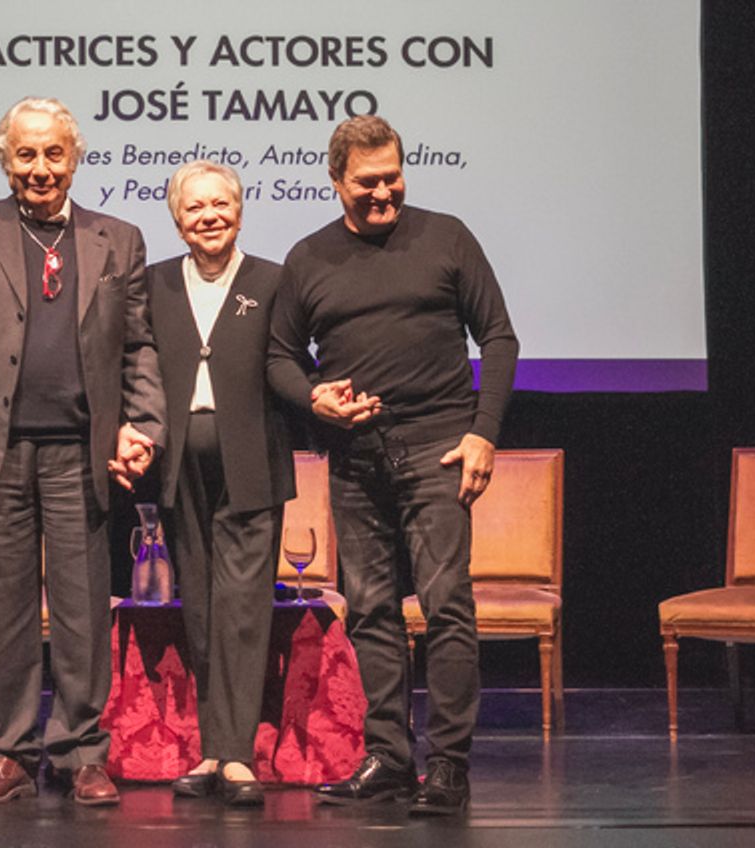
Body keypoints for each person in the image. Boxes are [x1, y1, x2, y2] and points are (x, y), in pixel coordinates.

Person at [267, 114, 518, 816]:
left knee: (445, 607)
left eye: (393, 178)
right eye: (366, 183)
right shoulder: (309, 258)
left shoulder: (447, 237)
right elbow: (279, 357)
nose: (383, 194)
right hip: (355, 457)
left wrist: (483, 435)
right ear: (336, 180)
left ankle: (449, 767)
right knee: (371, 610)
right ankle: (386, 757)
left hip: (439, 445)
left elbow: (497, 336)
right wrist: (315, 398)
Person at [0, 97, 165, 807]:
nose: (40, 168)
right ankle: (11, 753)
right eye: (25, 155)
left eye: (53, 153)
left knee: (86, 612)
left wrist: (140, 425)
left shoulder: (119, 238)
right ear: (6, 160)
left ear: (74, 158)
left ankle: (84, 752)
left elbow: (140, 346)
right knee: (5, 612)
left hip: (80, 454)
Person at [146, 161, 294, 807]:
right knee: (201, 610)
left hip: (251, 462)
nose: (208, 216)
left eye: (220, 204)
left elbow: (291, 366)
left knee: (242, 608)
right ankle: (210, 749)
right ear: (177, 219)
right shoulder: (152, 284)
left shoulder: (274, 281)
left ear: (240, 210)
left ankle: (237, 757)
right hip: (180, 465)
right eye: (194, 207)